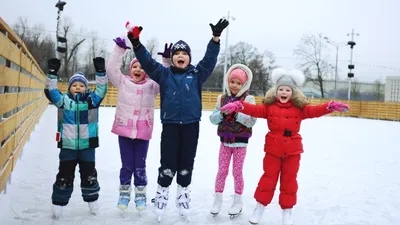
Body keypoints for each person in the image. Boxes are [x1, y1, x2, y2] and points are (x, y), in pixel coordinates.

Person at [125, 18, 229, 219]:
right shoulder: (163, 74)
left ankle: (183, 195)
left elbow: (209, 60)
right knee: (168, 163)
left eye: (184, 54)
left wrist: (215, 39)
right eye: (177, 54)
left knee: (186, 162)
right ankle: (162, 194)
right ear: (172, 58)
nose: (180, 56)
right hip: (171, 126)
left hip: (191, 126)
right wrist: (136, 44)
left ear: (189, 58)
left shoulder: (197, 74)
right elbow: (147, 61)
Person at [220, 68, 349, 225]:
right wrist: (240, 106)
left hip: (292, 151)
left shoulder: (300, 108)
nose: (284, 92)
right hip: (273, 149)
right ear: (276, 91)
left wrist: (329, 107)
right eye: (281, 89)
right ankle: (259, 208)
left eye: (287, 90)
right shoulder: (269, 106)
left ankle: (287, 212)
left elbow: (314, 110)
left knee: (289, 181)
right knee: (268, 179)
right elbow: (254, 109)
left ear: (293, 92)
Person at [106, 37, 173, 211]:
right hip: (125, 130)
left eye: (142, 67)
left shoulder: (152, 85)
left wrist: (166, 62)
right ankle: (124, 193)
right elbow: (111, 69)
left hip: (143, 131)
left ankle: (141, 194)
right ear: (130, 70)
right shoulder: (123, 82)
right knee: (127, 165)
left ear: (146, 71)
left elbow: (165, 79)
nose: (138, 69)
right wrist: (119, 50)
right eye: (135, 66)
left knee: (140, 165)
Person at [44, 57, 108, 218]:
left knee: (89, 175)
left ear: (86, 88)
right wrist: (52, 74)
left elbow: (101, 90)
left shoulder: (91, 102)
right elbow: (52, 91)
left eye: (81, 85)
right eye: (74, 85)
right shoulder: (64, 102)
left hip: (88, 146)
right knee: (65, 176)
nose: (78, 87)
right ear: (69, 88)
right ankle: (58, 203)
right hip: (68, 146)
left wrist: (101, 72)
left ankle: (92, 200)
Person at [209, 64, 256, 217]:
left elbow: (251, 121)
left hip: (240, 143)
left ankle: (237, 200)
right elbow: (212, 119)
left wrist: (236, 114)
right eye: (232, 81)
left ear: (244, 84)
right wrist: (222, 114)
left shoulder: (248, 99)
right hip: (225, 142)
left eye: (238, 83)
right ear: (228, 81)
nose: (234, 85)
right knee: (222, 171)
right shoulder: (222, 99)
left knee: (237, 172)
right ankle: (217, 198)